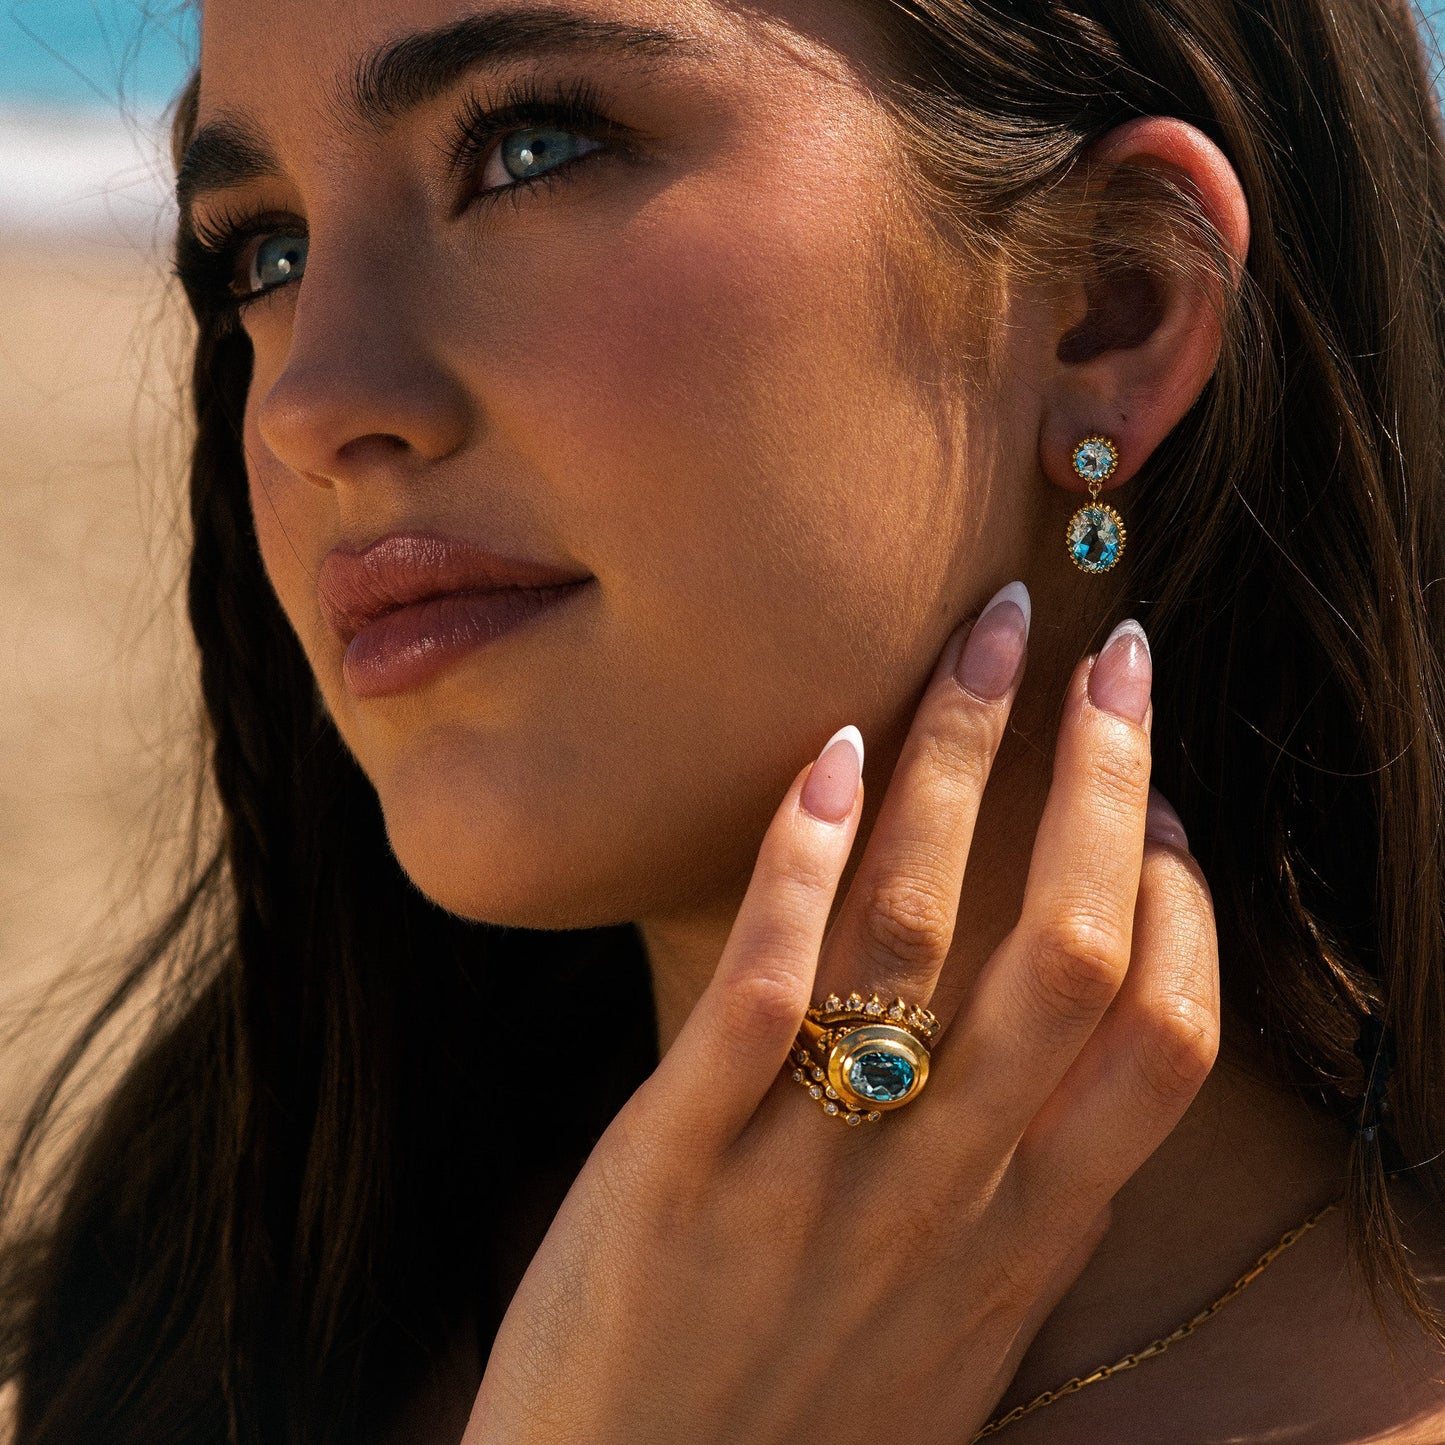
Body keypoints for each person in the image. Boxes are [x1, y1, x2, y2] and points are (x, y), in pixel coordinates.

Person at [4, 0, 1445, 1439]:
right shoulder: (150, 1362)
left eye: (531, 148)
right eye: (266, 251)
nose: (313, 399)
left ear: (1113, 299)